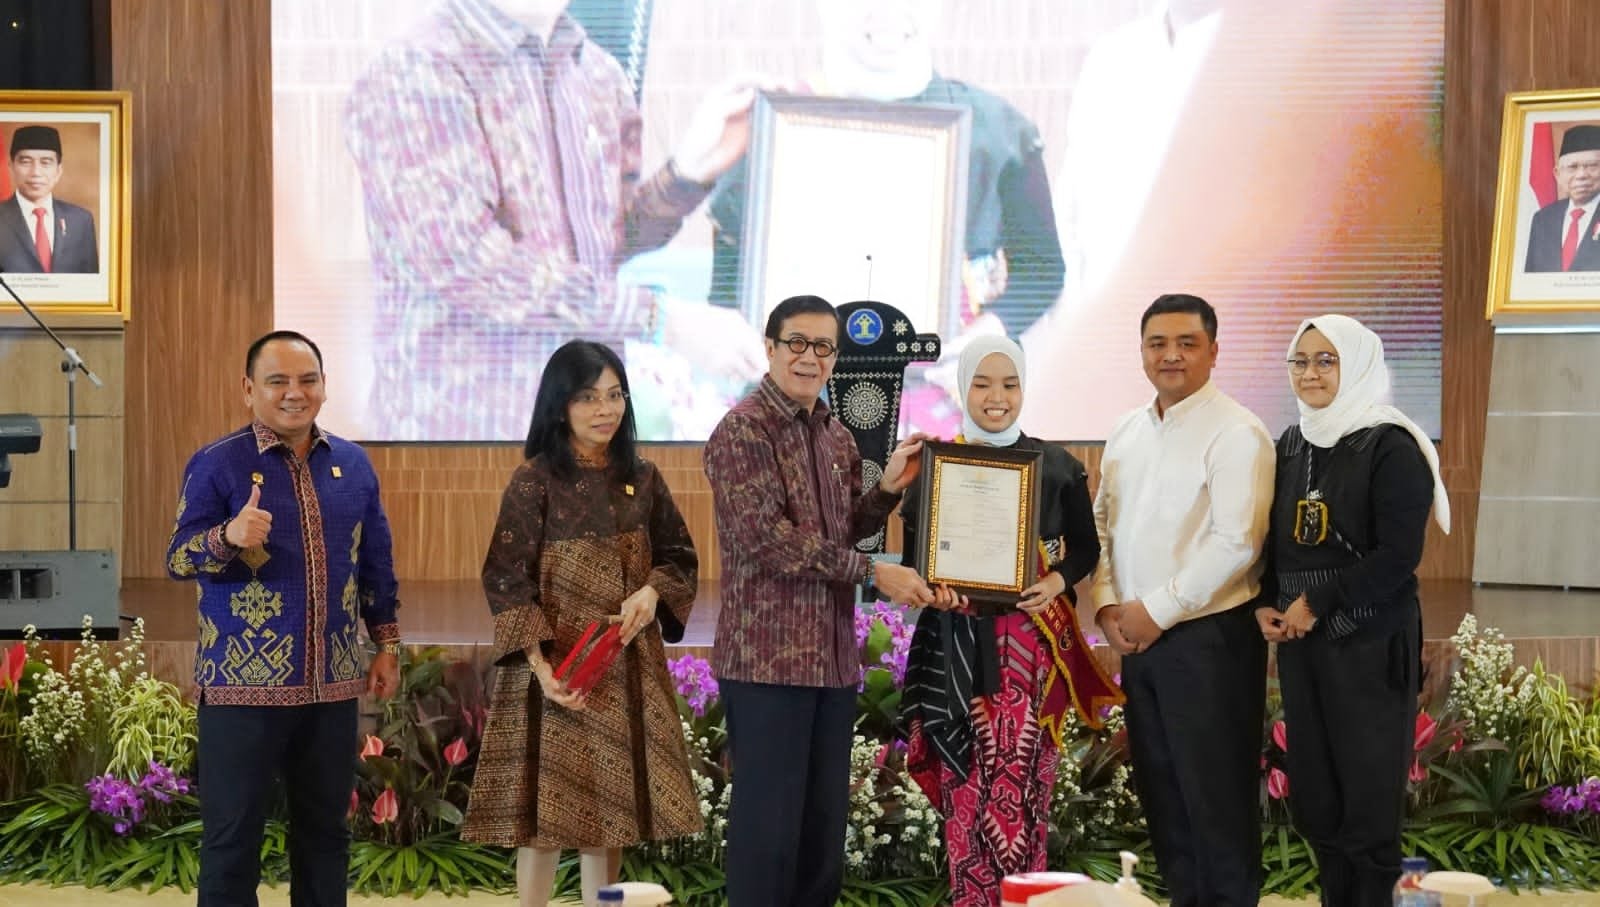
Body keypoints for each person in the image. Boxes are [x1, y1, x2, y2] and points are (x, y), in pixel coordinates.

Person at [344, 0, 764, 441]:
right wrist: (662, 320)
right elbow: (468, 263)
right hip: (464, 445)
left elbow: (603, 248)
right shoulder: (415, 71)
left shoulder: (596, 73)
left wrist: (686, 175)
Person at [705, 0, 1064, 433]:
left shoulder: (999, 132)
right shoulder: (766, 131)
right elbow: (728, 297)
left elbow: (1043, 269)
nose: (890, 10)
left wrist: (990, 332)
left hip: (946, 410)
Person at [703, 293, 935, 907]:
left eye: (823, 346)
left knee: (821, 834)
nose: (810, 357)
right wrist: (873, 573)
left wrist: (887, 490)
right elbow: (766, 540)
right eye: (797, 343)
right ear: (770, 346)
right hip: (767, 663)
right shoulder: (743, 430)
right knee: (768, 832)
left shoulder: (835, 435)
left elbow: (842, 530)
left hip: (831, 663)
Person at [460, 340, 700, 907]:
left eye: (615, 395)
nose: (605, 409)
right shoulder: (535, 479)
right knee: (543, 821)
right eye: (589, 397)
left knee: (608, 817)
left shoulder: (643, 477)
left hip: (622, 661)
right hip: (554, 667)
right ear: (560, 404)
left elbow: (679, 558)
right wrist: (542, 669)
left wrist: (651, 592)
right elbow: (505, 576)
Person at [166, 330, 402, 907]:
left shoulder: (352, 463)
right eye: (277, 381)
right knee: (232, 842)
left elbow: (375, 561)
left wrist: (387, 643)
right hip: (240, 692)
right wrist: (227, 536)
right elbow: (178, 559)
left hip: (331, 687)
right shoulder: (218, 463)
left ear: (323, 386)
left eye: (307, 380)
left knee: (326, 837)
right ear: (249, 390)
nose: (295, 393)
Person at [898, 335, 1118, 907]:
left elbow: (1086, 550)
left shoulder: (1058, 466)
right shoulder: (935, 467)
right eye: (982, 383)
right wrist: (936, 589)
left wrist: (1056, 582)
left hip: (1029, 647)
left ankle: (1024, 899)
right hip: (956, 644)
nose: (996, 397)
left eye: (1010, 384)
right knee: (965, 786)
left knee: (1023, 784)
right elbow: (915, 562)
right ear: (962, 388)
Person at [1254, 315, 1449, 906]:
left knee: (1367, 804)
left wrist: (1320, 601)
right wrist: (1267, 601)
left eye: (1326, 360)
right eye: (1300, 361)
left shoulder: (1391, 446)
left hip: (1368, 643)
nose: (1310, 373)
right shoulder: (1290, 443)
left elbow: (1399, 556)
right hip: (1303, 644)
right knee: (1319, 801)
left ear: (1358, 364)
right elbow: (1275, 539)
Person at [1091, 294, 1274, 907]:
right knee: (1165, 796)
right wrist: (1108, 604)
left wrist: (1156, 611)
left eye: (1187, 343)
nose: (1171, 355)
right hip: (1138, 639)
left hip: (1210, 642)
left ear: (1214, 351)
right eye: (1157, 344)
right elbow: (1102, 523)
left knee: (1216, 801)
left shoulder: (1237, 431)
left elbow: (1237, 543)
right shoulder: (1127, 430)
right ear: (1142, 351)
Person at [0, 125, 99, 273]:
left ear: (58, 171)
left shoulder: (81, 221)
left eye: (45, 162)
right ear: (11, 167)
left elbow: (91, 282)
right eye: (26, 162)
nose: (36, 172)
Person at [1525, 124, 1600, 272]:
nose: (1581, 175)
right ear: (1557, 174)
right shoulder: (1542, 219)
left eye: (1592, 166)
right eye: (1572, 167)